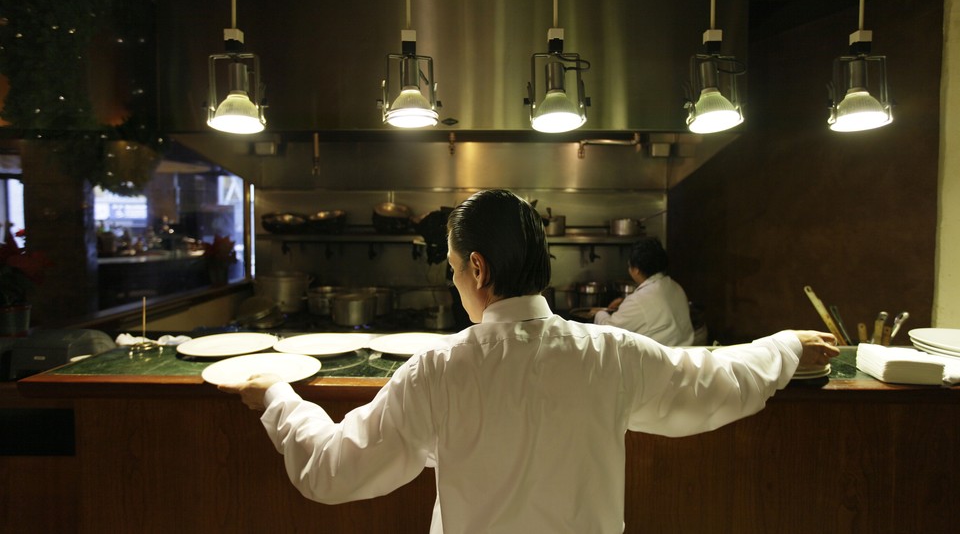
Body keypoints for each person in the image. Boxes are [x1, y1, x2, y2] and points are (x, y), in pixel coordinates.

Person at [220, 189, 839, 534]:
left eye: (455, 270)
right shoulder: (609, 356)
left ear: (479, 269)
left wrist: (278, 398)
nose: (455, 285)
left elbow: (331, 471)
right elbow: (713, 380)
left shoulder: (438, 371)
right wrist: (785, 347)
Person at [591, 237, 696, 346]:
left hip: (659, 361)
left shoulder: (638, 300)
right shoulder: (674, 286)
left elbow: (609, 332)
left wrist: (599, 313)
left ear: (636, 270)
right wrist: (625, 304)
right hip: (683, 355)